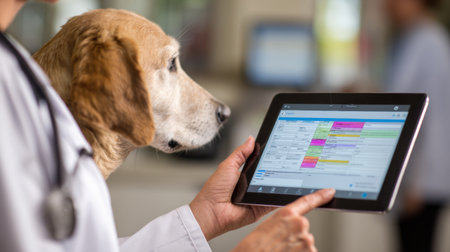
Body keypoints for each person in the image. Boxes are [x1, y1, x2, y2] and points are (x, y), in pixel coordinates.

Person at [0, 0, 335, 251]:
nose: (218, 108)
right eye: (170, 65)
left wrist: (205, 218)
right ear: (117, 89)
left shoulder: (16, 67)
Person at [384, 0, 450, 251]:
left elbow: (431, 118)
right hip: (413, 178)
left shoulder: (429, 42)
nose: (387, 5)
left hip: (423, 183)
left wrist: (418, 184)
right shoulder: (411, 39)